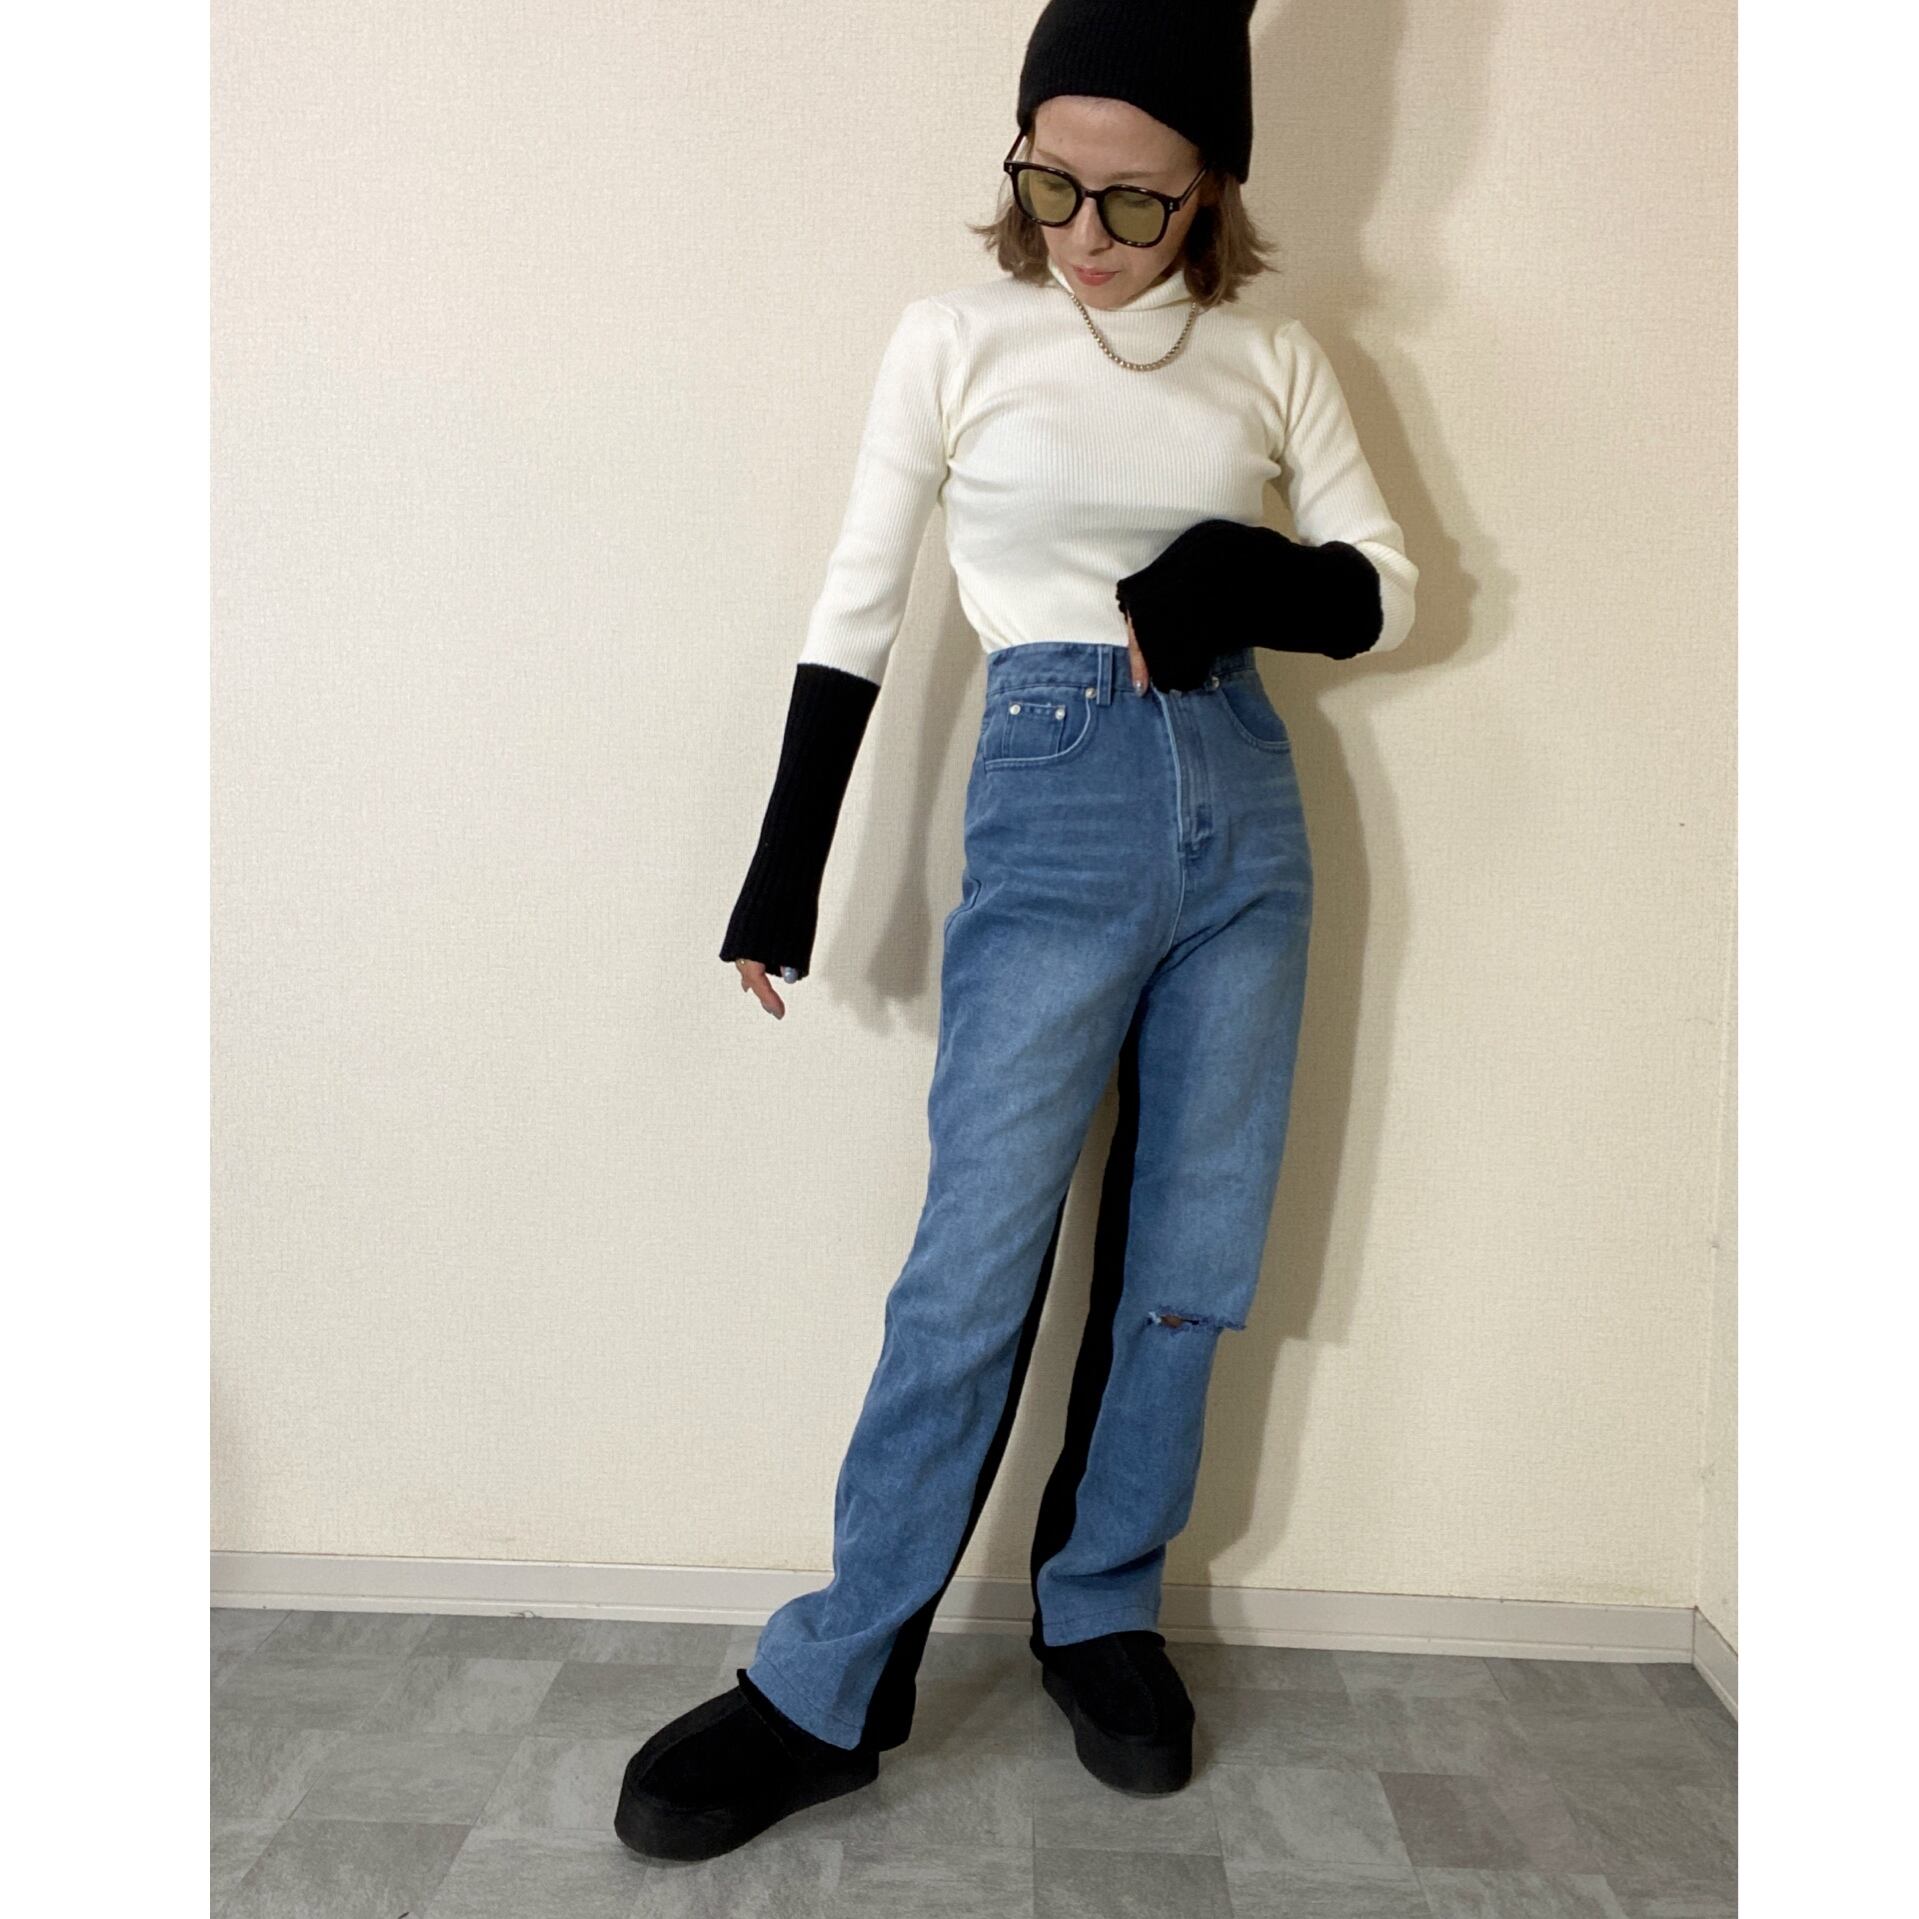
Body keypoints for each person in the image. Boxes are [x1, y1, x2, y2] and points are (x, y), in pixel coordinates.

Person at [617, 0, 1416, 1865]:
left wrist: (1243, 577)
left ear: (1212, 189)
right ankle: (832, 1681)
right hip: (1052, 790)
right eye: (1052, 183)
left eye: (1136, 201)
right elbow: (858, 608)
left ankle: (1101, 1606)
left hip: (1248, 809)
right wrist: (783, 873)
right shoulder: (954, 339)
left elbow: (1381, 589)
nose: (1085, 234)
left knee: (1193, 1256)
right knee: (974, 1257)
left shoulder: (1276, 357)